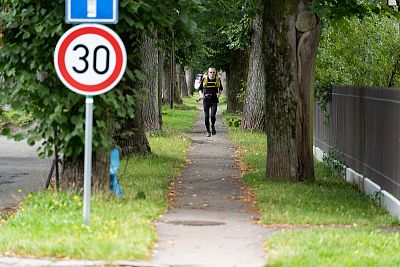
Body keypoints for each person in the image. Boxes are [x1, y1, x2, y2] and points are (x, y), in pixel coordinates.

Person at [198, 67, 223, 137]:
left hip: (214, 100)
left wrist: (219, 94)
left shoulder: (218, 79)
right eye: (211, 72)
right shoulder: (204, 79)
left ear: (215, 73)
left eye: (213, 72)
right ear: (208, 73)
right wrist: (201, 95)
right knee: (206, 117)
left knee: (212, 115)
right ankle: (208, 131)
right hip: (206, 100)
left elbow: (221, 88)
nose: (212, 74)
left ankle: (212, 126)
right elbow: (199, 89)